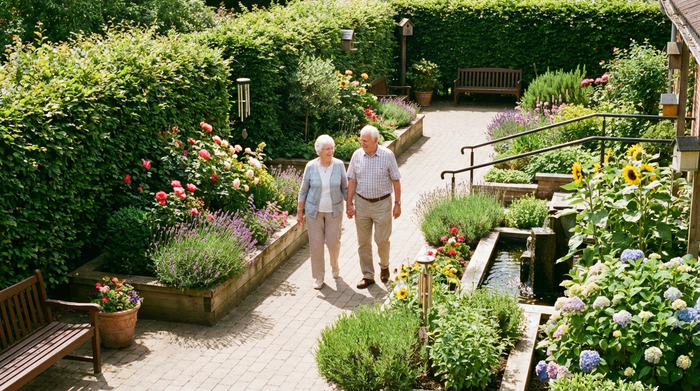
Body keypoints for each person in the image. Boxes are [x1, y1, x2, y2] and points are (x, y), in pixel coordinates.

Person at [346, 125, 401, 289]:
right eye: (361, 140)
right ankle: (368, 275)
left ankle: (384, 266)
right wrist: (349, 202)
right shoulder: (357, 155)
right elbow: (352, 180)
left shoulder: (387, 156)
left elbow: (396, 180)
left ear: (376, 140)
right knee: (363, 243)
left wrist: (397, 204)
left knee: (382, 240)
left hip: (382, 204)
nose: (362, 143)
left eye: (365, 141)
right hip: (362, 203)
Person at [297, 134, 348, 290]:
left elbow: (345, 187)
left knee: (333, 242)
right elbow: (303, 189)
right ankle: (319, 276)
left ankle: (334, 263)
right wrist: (300, 211)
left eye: (332, 148)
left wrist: (351, 205)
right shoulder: (311, 166)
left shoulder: (339, 165)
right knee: (316, 244)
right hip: (314, 211)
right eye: (327, 149)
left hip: (334, 210)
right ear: (319, 151)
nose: (330, 151)